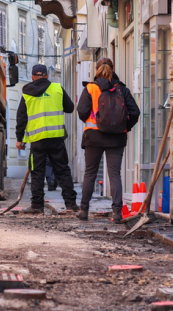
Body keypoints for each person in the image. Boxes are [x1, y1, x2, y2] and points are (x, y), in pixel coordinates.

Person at [75, 58, 140, 223]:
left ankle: (83, 210)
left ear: (96, 70)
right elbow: (135, 112)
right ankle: (117, 212)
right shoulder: (121, 89)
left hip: (94, 137)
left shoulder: (90, 88)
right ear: (113, 69)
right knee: (114, 174)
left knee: (90, 173)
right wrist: (124, 126)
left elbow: (82, 112)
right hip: (116, 138)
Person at [15, 64, 79, 214]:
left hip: (37, 140)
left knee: (37, 172)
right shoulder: (57, 89)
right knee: (62, 171)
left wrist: (20, 139)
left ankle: (37, 206)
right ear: (47, 76)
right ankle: (71, 204)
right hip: (56, 138)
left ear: (32, 77)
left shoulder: (27, 93)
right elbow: (70, 108)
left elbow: (21, 118)